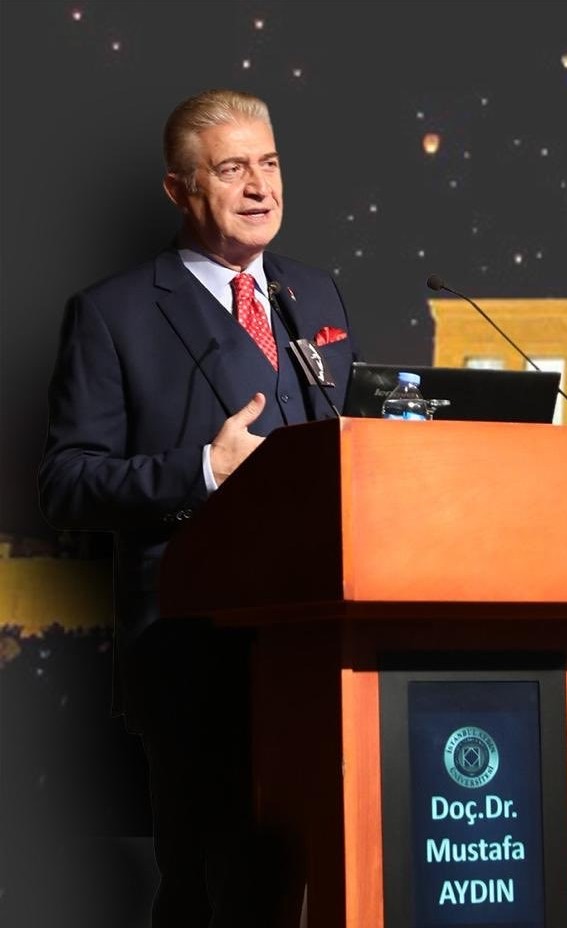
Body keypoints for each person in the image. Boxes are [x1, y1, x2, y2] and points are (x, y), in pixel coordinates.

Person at [39, 89, 357, 927]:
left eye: (270, 164)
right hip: (192, 647)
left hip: (319, 637)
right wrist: (202, 469)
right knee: (215, 888)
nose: (260, 187)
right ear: (180, 191)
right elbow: (67, 483)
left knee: (315, 879)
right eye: (232, 169)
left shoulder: (316, 294)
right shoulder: (112, 313)